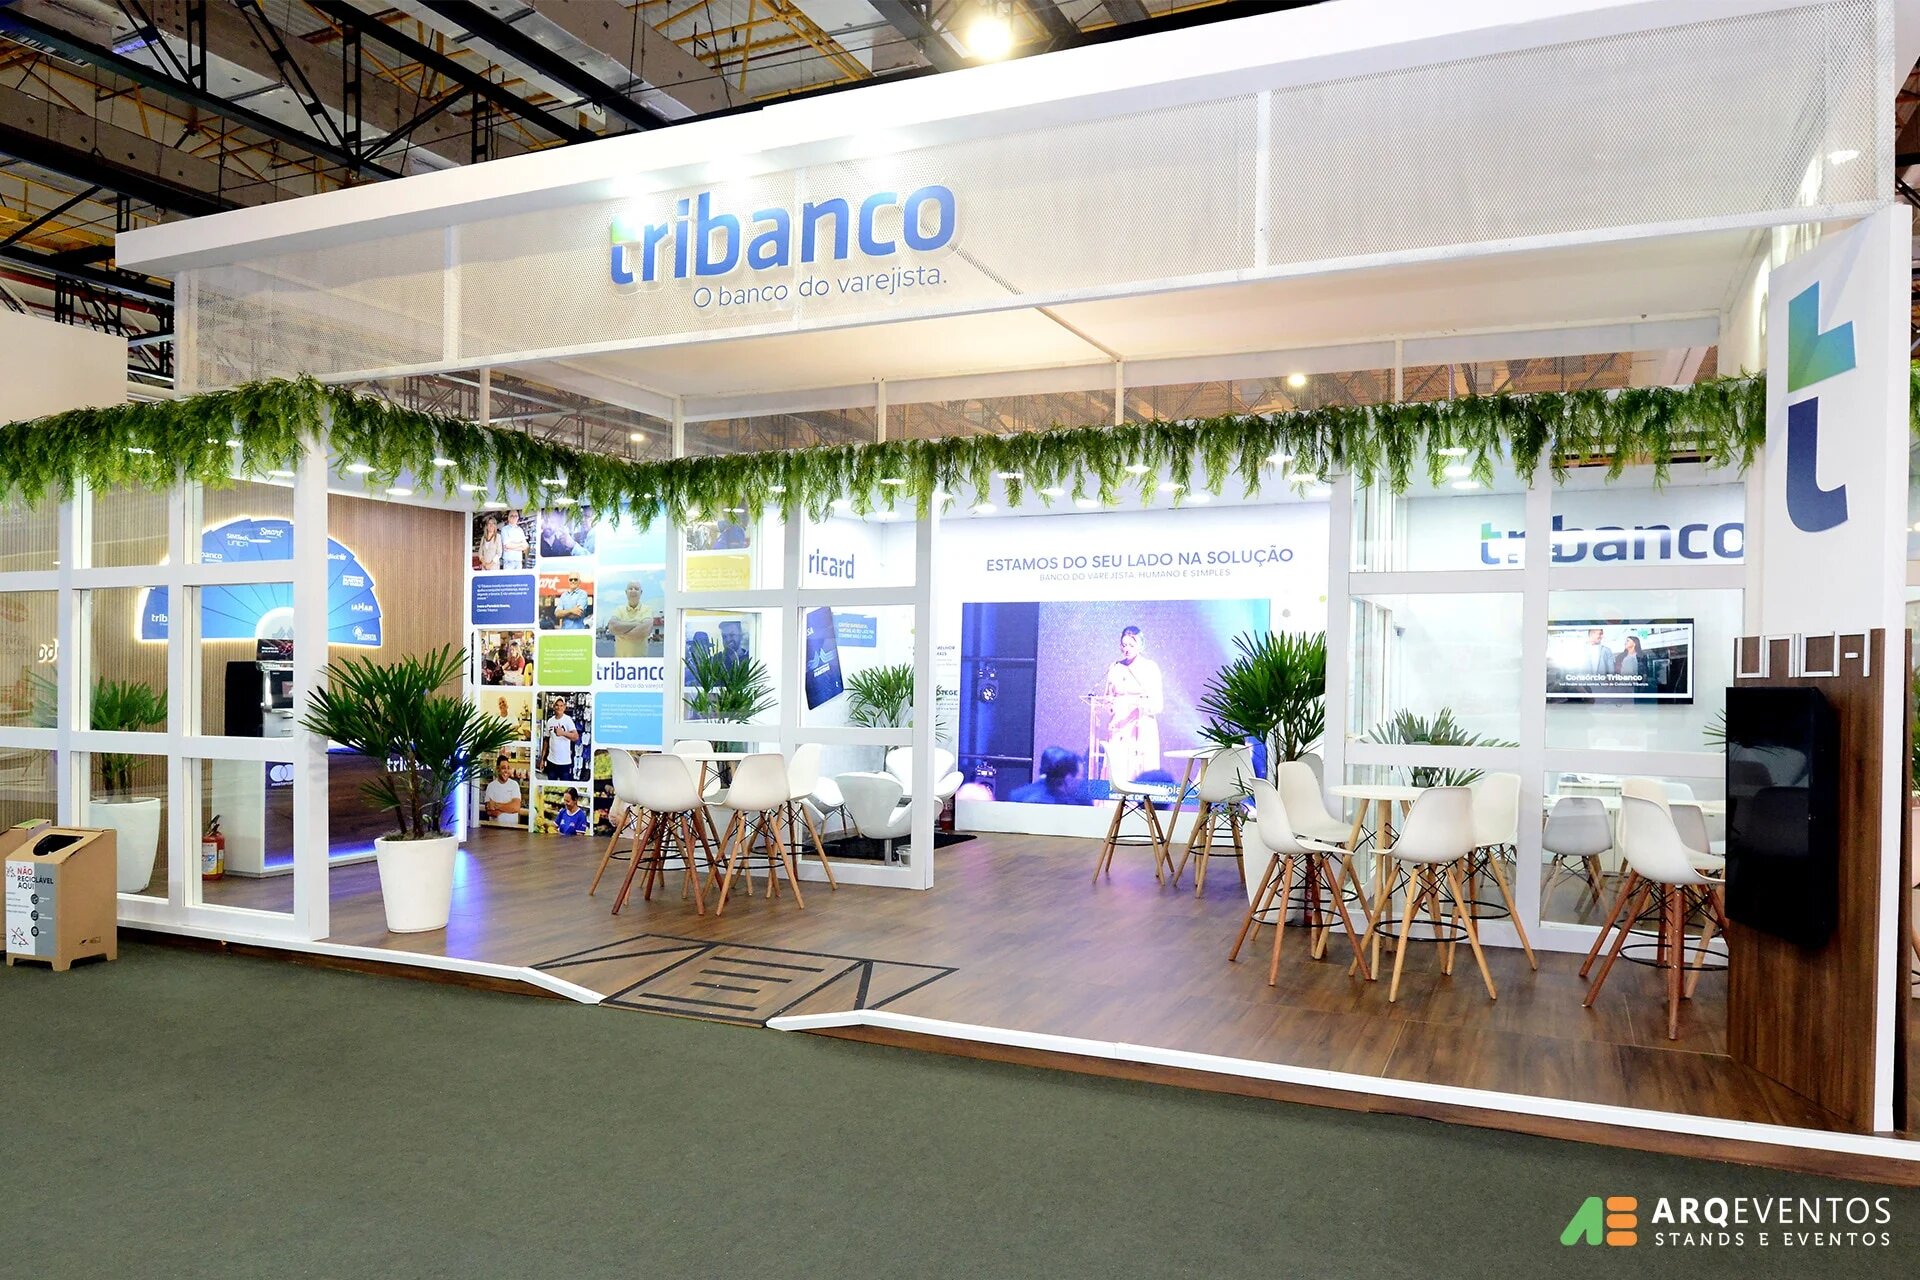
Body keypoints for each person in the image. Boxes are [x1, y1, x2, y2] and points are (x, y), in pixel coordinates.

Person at [1101, 625, 1164, 785]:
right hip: (1119, 728)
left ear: (1140, 646)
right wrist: (1110, 705)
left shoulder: (1150, 667)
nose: (1127, 649)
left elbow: (1158, 704)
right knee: (1118, 770)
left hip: (1141, 728)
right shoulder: (1115, 667)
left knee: (1138, 771)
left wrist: (1139, 704)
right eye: (1124, 645)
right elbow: (1108, 698)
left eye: (1131, 645)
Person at [1008, 747, 1092, 805]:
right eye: (1081, 776)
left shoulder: (1016, 795)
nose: (1082, 780)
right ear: (1068, 778)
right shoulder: (1077, 803)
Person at [606, 579, 654, 657]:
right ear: (626, 592)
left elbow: (646, 629)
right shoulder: (619, 609)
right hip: (620, 662)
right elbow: (612, 627)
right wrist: (637, 623)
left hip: (640, 662)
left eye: (636, 589)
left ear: (641, 592)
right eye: (630, 588)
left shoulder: (647, 609)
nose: (633, 591)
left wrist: (622, 633)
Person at [543, 695, 580, 781]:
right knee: (551, 785)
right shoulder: (550, 721)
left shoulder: (568, 720)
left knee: (564, 785)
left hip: (564, 762)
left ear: (564, 707)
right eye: (557, 705)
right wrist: (542, 759)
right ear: (553, 707)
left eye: (561, 705)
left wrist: (563, 733)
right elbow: (546, 741)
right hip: (551, 761)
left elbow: (576, 737)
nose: (559, 707)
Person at [482, 756, 523, 826]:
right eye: (503, 768)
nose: (506, 771)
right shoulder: (491, 786)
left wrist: (496, 805)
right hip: (494, 828)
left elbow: (516, 807)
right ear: (497, 769)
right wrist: (509, 808)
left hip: (512, 828)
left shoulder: (514, 785)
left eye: (508, 768)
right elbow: (490, 812)